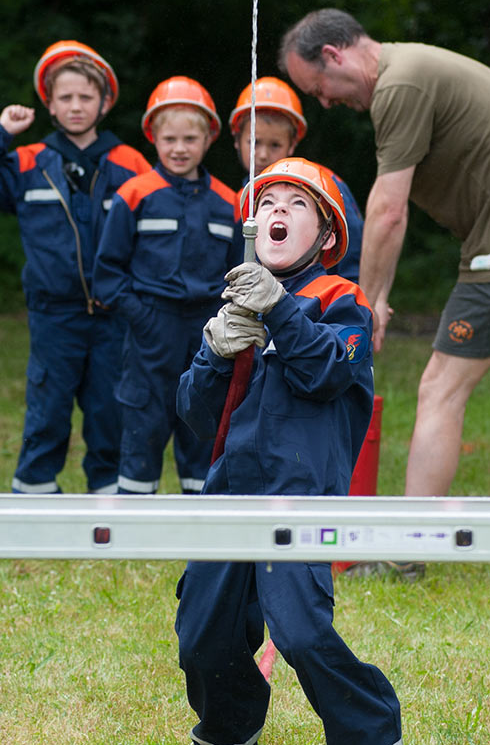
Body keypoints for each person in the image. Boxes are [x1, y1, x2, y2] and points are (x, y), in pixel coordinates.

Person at [278, 9, 490, 574]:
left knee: (440, 386)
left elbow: (388, 211)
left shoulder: (399, 86)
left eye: (319, 88)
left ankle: (406, 555)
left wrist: (365, 304)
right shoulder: (414, 68)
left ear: (335, 56)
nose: (326, 102)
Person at [148, 158, 404, 745]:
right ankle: (226, 741)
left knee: (302, 632)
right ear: (251, 226)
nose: (277, 211)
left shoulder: (341, 302)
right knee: (202, 630)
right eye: (267, 203)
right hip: (230, 492)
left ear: (327, 235)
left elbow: (328, 372)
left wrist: (280, 311)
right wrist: (214, 350)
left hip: (301, 493)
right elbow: (195, 414)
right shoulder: (238, 303)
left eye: (297, 203)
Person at [0, 40, 151, 494]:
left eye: (86, 96)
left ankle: (108, 495)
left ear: (105, 102)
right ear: (49, 104)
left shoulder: (130, 164)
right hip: (53, 315)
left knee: (109, 410)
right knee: (47, 408)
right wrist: (3, 132)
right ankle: (34, 490)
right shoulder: (27, 162)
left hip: (112, 314)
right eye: (65, 97)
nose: (76, 106)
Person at [93, 76, 241, 493]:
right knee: (144, 420)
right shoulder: (134, 194)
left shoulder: (229, 202)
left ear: (208, 139)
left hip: (207, 330)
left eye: (189, 139)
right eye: (169, 139)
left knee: (202, 420)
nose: (179, 148)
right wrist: (140, 316)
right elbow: (107, 272)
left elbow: (237, 275)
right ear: (153, 138)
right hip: (150, 328)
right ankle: (135, 510)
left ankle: (200, 511)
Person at [228, 76, 365, 281]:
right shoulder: (237, 200)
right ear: (237, 140)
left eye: (275, 145)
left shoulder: (324, 185)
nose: (263, 155)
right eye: (254, 142)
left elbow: (352, 264)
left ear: (292, 144)